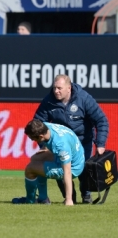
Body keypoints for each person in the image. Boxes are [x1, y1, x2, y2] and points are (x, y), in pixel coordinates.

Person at [34, 74, 109, 203]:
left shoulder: (83, 98)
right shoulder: (49, 101)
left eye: (59, 88)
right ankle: (69, 197)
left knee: (83, 170)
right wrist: (44, 146)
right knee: (59, 171)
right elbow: (38, 125)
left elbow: (101, 120)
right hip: (60, 143)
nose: (56, 91)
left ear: (69, 88)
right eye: (54, 88)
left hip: (82, 141)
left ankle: (86, 195)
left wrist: (100, 144)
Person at [12, 119, 85, 206]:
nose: (32, 140)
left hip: (74, 168)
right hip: (73, 156)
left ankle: (30, 201)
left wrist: (69, 200)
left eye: (33, 138)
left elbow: (68, 172)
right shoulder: (45, 126)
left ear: (41, 136)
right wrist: (46, 149)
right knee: (35, 159)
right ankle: (43, 199)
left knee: (30, 169)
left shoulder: (60, 145)